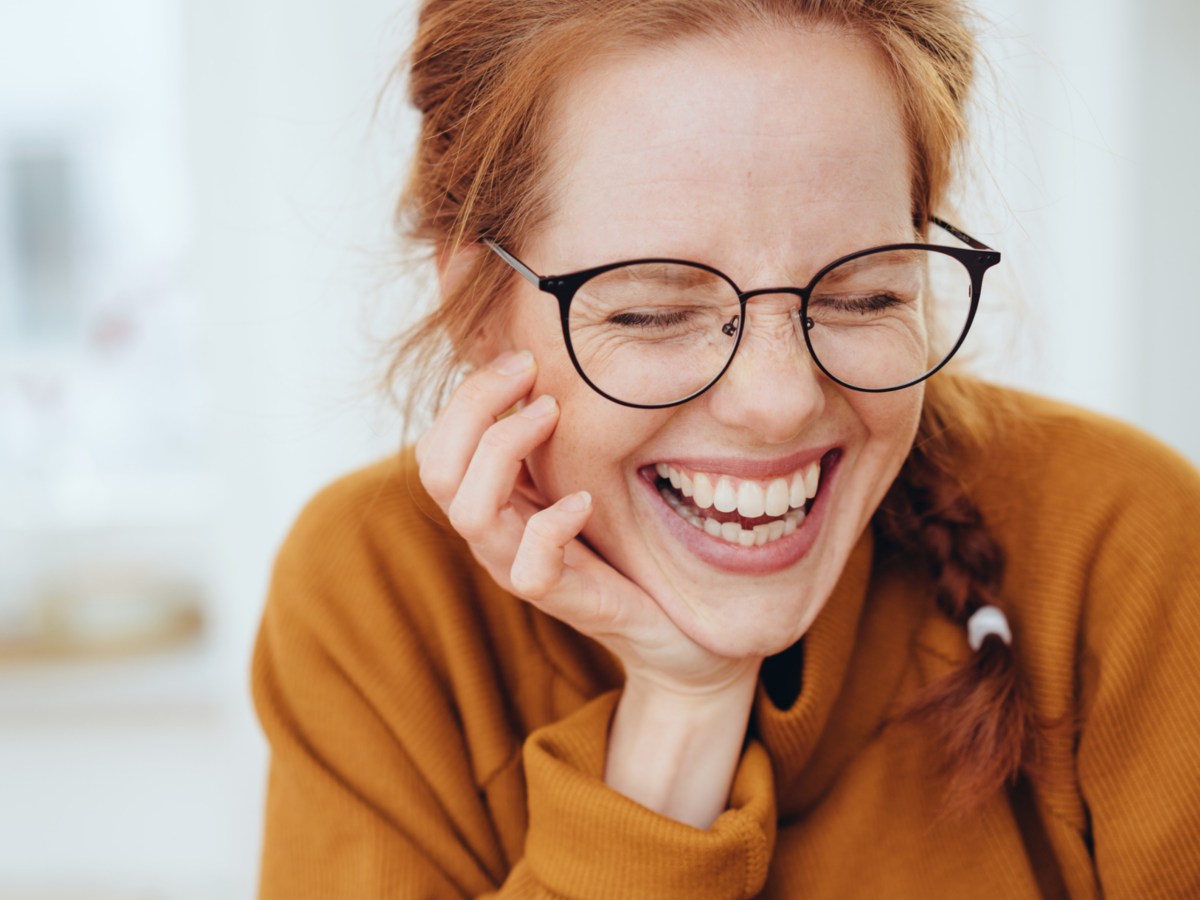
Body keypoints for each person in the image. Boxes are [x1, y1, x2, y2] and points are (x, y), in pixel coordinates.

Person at [251, 0, 1200, 896]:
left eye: (864, 295)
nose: (781, 401)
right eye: (655, 312)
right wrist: (681, 708)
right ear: (475, 306)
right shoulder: (377, 598)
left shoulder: (1125, 544)